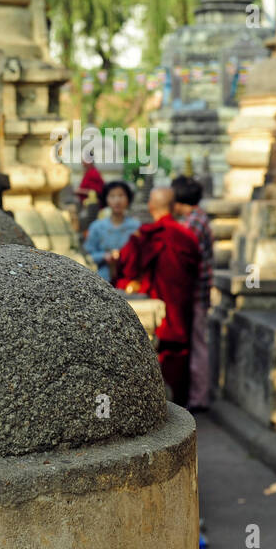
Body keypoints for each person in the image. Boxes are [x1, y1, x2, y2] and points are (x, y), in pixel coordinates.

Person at [116, 186, 201, 405]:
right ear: (173, 207)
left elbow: (127, 268)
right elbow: (196, 272)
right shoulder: (186, 237)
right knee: (178, 358)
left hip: (151, 311)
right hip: (179, 311)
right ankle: (181, 407)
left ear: (151, 207)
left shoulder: (142, 236)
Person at [172, 175, 214, 410]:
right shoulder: (195, 218)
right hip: (197, 290)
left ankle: (199, 397)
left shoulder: (195, 223)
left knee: (198, 343)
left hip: (197, 291)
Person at [82, 181, 140, 279]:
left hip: (129, 278)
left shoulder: (136, 226)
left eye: (121, 195)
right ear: (106, 199)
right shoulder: (97, 227)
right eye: (112, 196)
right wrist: (104, 256)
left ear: (128, 199)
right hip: (101, 277)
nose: (117, 201)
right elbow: (87, 257)